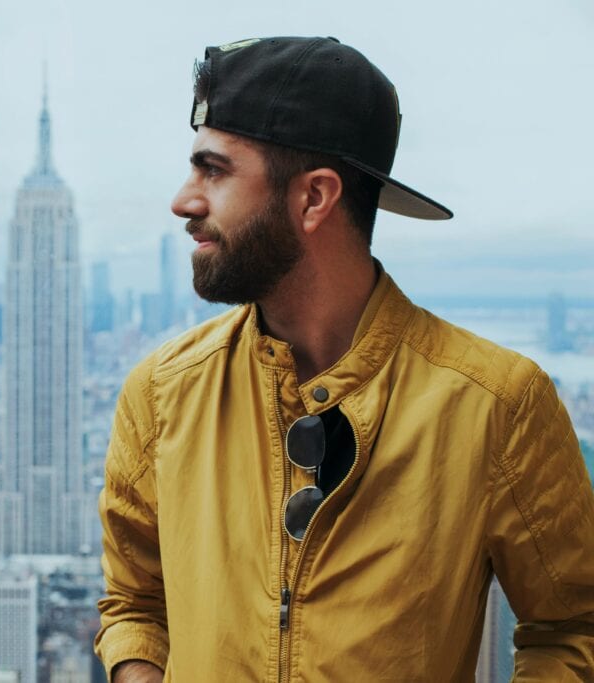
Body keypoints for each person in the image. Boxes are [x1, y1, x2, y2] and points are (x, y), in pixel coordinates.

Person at [94, 36, 594, 681]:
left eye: (213, 170)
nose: (184, 200)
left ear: (314, 197)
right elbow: (133, 603)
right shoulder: (162, 392)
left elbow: (573, 629)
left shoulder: (495, 405)